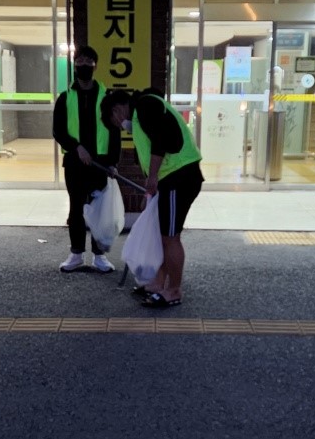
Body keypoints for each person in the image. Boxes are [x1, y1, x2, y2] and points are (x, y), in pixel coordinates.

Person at [100, 88, 203, 309]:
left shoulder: (146, 105)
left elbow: (161, 140)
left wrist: (153, 177)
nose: (121, 127)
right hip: (171, 179)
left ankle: (173, 290)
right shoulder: (141, 115)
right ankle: (158, 284)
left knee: (170, 237)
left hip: (178, 177)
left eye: (116, 123)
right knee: (161, 234)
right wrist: (150, 191)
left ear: (117, 111)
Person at [53, 45, 121, 273]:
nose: (84, 65)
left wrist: (113, 162)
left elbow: (115, 132)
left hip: (100, 163)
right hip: (75, 162)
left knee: (98, 209)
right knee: (76, 209)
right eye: (80, 61)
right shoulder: (65, 98)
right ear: (75, 65)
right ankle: (76, 254)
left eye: (88, 61)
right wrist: (77, 147)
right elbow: (58, 131)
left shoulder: (106, 97)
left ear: (95, 66)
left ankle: (99, 256)